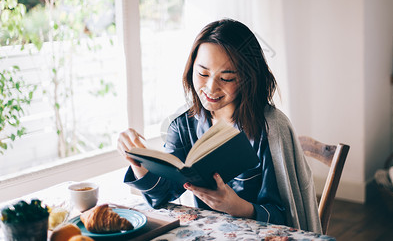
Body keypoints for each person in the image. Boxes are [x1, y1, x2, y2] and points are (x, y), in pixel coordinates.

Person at [117, 18, 322, 233]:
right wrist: (137, 162)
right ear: (191, 69)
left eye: (226, 78)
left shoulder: (270, 129)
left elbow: (288, 218)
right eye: (203, 74)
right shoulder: (184, 125)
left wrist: (239, 207)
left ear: (247, 78)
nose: (211, 87)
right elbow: (161, 196)